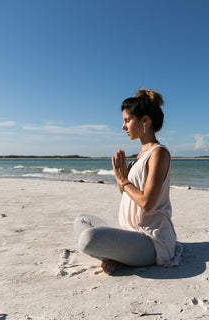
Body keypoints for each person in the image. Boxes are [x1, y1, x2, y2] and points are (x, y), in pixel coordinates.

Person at [73, 88, 182, 275]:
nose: (123, 126)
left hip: (149, 238)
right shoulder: (141, 155)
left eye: (127, 121)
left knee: (88, 239)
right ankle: (117, 255)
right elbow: (128, 195)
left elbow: (147, 203)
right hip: (129, 228)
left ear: (145, 121)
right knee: (82, 220)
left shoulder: (159, 153)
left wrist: (124, 180)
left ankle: (117, 256)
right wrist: (120, 178)